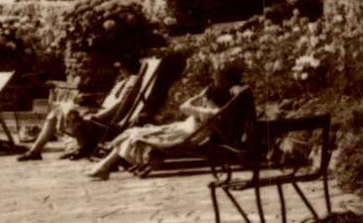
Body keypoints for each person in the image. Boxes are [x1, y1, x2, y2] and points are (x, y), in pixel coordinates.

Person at [87, 61, 253, 180]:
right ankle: (104, 166)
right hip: (177, 130)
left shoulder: (209, 112)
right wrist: (203, 97)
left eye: (205, 98)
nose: (202, 100)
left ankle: (104, 166)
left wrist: (199, 97)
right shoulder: (209, 110)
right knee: (133, 132)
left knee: (136, 134)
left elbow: (184, 106)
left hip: (180, 135)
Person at [17, 58, 142, 161]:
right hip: (100, 111)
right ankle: (36, 150)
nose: (119, 71)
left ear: (127, 68)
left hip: (107, 118)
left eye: (121, 68)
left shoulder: (132, 81)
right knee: (58, 111)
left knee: (64, 113)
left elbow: (120, 104)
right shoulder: (124, 81)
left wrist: (99, 116)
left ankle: (38, 150)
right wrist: (90, 100)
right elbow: (111, 99)